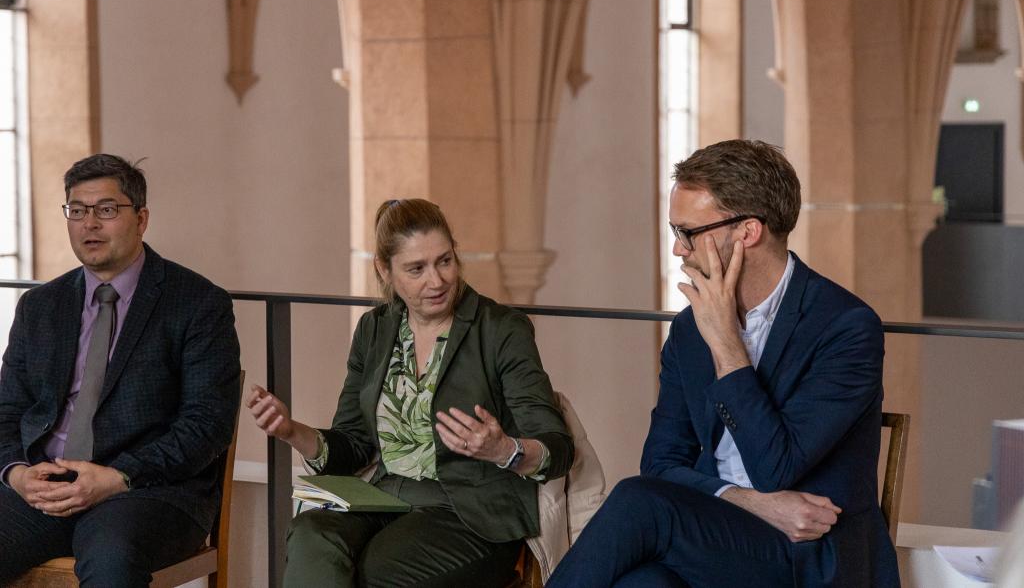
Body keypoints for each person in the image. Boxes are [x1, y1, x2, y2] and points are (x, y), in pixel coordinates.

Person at [547, 140, 899, 587]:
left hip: (810, 552)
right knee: (642, 584)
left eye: (687, 232)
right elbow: (660, 462)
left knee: (638, 502)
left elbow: (778, 468)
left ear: (748, 232)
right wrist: (751, 502)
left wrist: (728, 345)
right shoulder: (691, 330)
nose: (678, 250)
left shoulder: (845, 327)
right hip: (727, 531)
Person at [249, 198, 574, 587]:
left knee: (376, 571)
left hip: (470, 513)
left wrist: (505, 450)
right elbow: (353, 444)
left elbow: (558, 448)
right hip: (382, 498)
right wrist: (291, 431)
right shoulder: (374, 330)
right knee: (311, 534)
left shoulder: (501, 329)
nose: (436, 281)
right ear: (385, 270)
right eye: (416, 269)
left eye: (444, 261)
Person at [0, 154, 241, 587]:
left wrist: (117, 477)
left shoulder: (198, 304)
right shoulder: (39, 307)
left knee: (111, 562)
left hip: (147, 491)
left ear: (141, 219)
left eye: (106, 210)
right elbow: (6, 409)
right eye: (78, 210)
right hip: (46, 486)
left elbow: (207, 425)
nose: (89, 223)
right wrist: (16, 474)